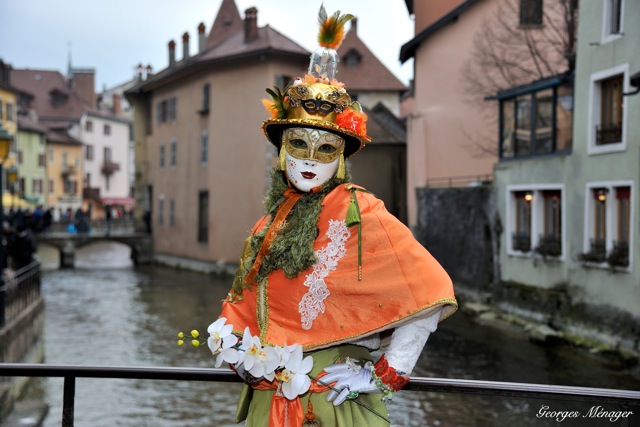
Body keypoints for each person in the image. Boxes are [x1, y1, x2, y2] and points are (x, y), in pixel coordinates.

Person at [215, 6, 457, 427]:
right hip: (269, 402)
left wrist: (383, 374)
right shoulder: (268, 225)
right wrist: (235, 351)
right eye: (298, 145)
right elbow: (242, 308)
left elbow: (428, 293)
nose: (309, 160)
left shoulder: (361, 214)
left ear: (342, 157)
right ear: (282, 150)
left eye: (325, 148)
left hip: (333, 403)